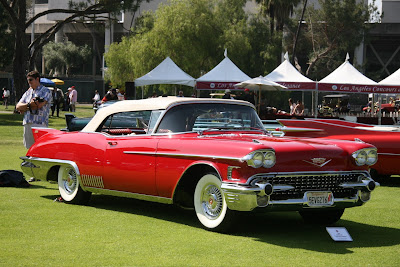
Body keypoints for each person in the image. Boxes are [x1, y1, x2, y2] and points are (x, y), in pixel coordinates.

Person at [16, 70, 51, 150]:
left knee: (39, 148)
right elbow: (18, 106)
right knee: (29, 148)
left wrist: (25, 108)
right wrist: (29, 105)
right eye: (28, 80)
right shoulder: (28, 92)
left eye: (31, 80)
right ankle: (30, 162)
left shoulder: (45, 91)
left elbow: (37, 105)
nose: (29, 82)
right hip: (28, 122)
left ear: (37, 79)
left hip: (40, 123)